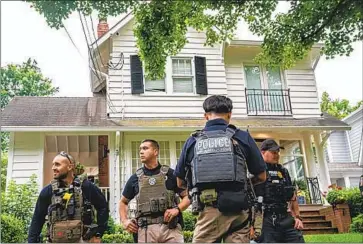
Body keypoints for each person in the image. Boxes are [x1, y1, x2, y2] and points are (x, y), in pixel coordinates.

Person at [175, 95, 267, 243]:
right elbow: (262, 176)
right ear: (229, 114)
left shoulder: (192, 141)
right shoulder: (243, 137)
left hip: (209, 210)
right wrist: (244, 184)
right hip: (239, 209)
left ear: (206, 116)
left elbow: (179, 182)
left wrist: (195, 193)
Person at [28, 151, 109, 243]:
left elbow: (103, 207)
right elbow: (37, 219)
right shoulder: (48, 191)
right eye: (53, 164)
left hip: (83, 240)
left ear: (70, 167)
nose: (53, 168)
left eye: (57, 164)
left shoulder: (86, 187)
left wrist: (98, 234)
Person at [119, 139, 190, 243]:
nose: (141, 152)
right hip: (146, 230)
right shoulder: (135, 178)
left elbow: (188, 196)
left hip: (171, 228)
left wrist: (177, 209)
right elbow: (123, 202)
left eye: (145, 148)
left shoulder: (171, 175)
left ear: (156, 152)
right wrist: (124, 221)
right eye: (140, 149)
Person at [257, 139, 305, 243]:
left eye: (278, 152)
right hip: (266, 219)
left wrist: (297, 218)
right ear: (263, 152)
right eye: (273, 152)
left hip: (284, 217)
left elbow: (292, 196)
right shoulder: (257, 171)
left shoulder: (283, 171)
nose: (277, 155)